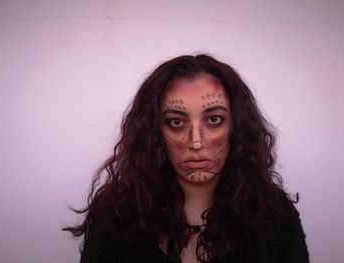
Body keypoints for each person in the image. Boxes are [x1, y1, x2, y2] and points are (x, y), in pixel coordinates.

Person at [64, 54, 309, 263]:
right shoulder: (114, 215)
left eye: (214, 119)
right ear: (154, 131)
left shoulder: (274, 216)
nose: (196, 142)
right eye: (176, 122)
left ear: (237, 126)